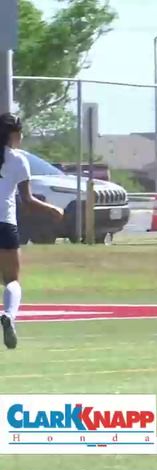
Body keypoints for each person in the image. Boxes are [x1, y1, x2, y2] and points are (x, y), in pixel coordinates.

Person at [0, 113, 65, 349]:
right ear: (14, 135)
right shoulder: (18, 160)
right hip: (5, 225)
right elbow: (27, 201)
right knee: (12, 281)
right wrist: (52, 209)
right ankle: (8, 315)